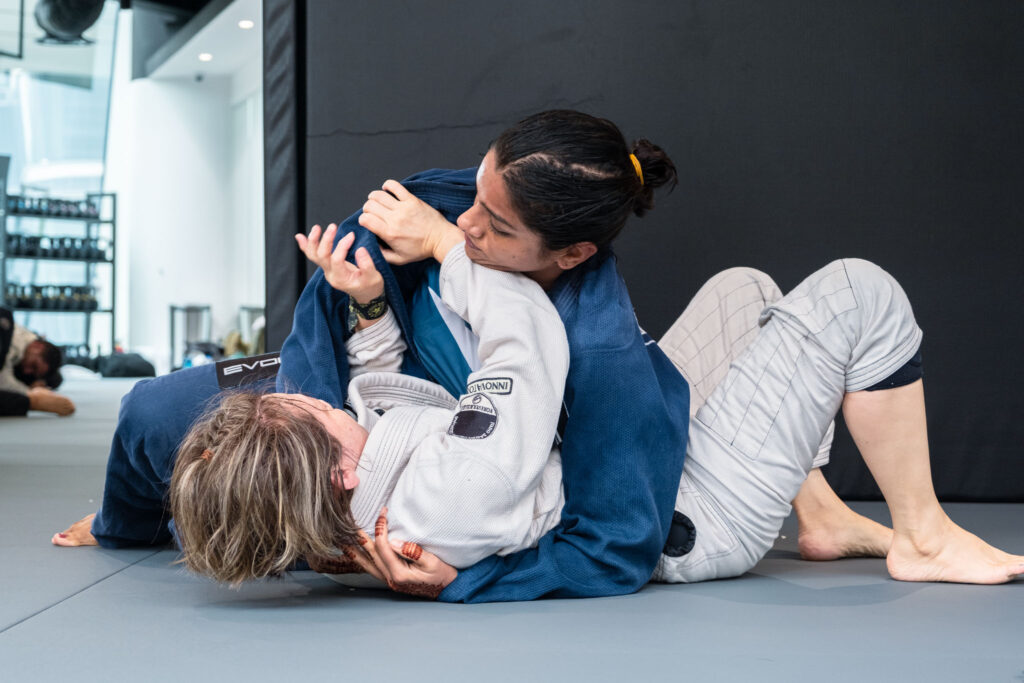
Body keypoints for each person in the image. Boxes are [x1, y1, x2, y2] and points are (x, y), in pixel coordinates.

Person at [169, 232, 569, 590]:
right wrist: (444, 245)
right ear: (339, 476)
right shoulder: (452, 493)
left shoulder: (338, 525)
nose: (322, 399)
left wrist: (370, 307)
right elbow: (527, 348)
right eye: (321, 411)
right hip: (566, 447)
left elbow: (390, 417)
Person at [0, 306, 74, 417]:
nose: (27, 371)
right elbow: (3, 381)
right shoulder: (13, 338)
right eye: (34, 366)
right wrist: (32, 396)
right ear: (38, 346)